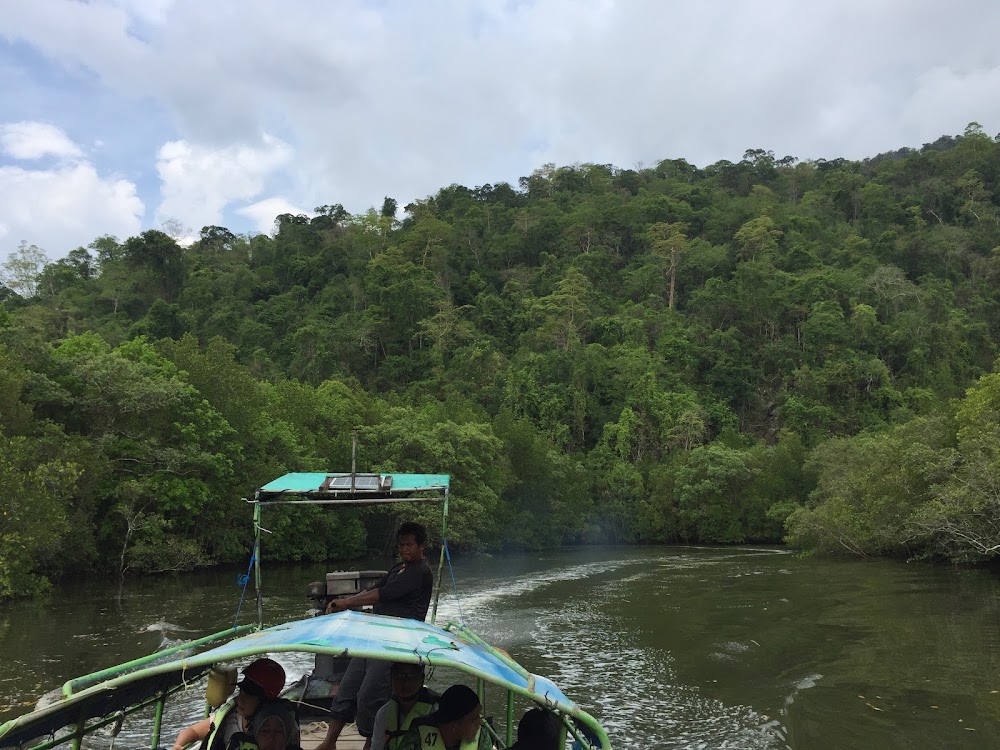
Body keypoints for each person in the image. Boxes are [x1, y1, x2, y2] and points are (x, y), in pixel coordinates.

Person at [316, 522, 434, 750]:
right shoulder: (399, 568)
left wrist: (348, 601)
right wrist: (347, 604)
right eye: (401, 545)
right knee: (347, 688)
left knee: (370, 694)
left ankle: (372, 744)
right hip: (375, 637)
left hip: (396, 642)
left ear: (422, 546)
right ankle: (330, 741)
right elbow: (375, 589)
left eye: (409, 545)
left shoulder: (420, 572)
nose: (404, 549)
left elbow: (383, 594)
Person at [172, 658, 286, 750]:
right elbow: (193, 731)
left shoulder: (275, 729)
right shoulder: (230, 716)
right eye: (241, 691)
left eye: (249, 695)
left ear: (265, 701)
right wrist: (179, 744)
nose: (240, 699)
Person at [394, 684, 492, 750]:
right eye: (473, 719)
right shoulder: (418, 734)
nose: (480, 723)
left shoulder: (482, 737)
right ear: (454, 726)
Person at [370, 662, 439, 750]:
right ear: (391, 679)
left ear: (422, 678)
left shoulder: (436, 711)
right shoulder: (383, 714)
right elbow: (376, 747)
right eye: (399, 675)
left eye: (412, 675)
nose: (405, 683)